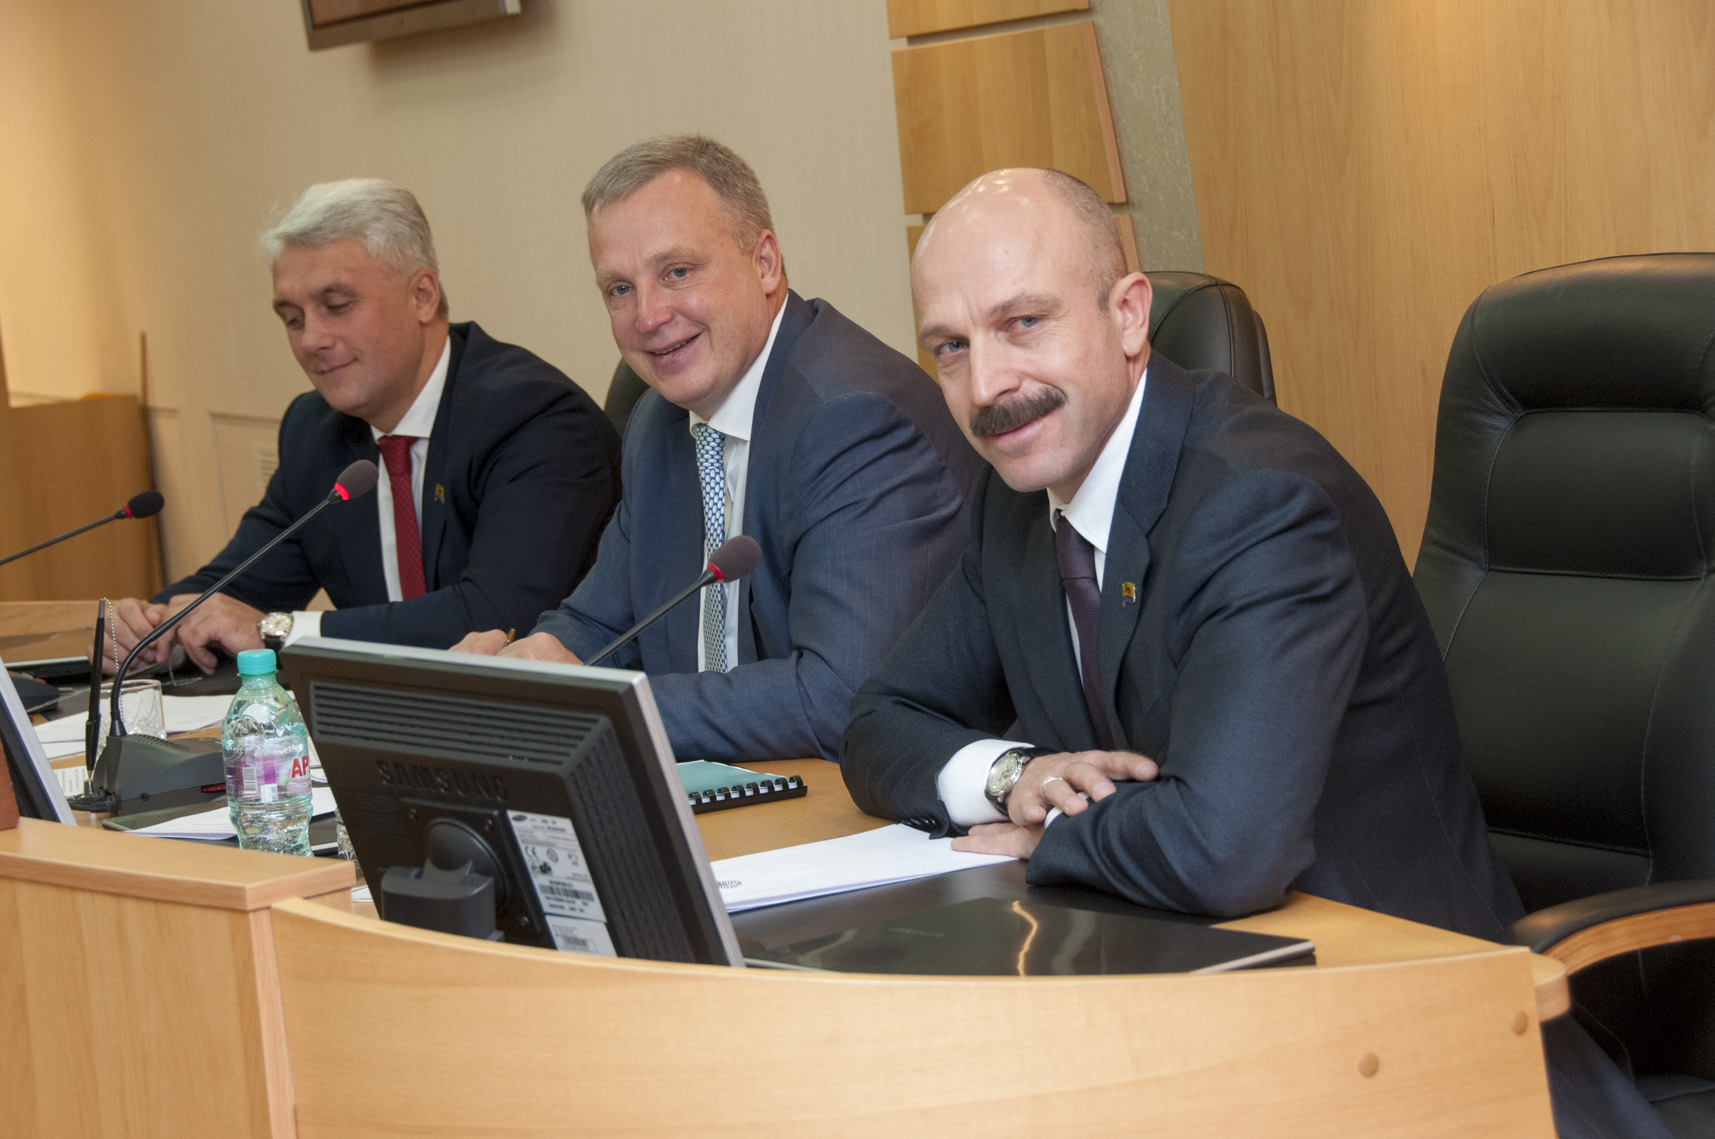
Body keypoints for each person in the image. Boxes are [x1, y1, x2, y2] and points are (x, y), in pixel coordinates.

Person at [841, 167, 1672, 1139]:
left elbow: (1224, 847)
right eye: (949, 346)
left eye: (1022, 323)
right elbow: (879, 722)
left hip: (1409, 1032)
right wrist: (1012, 776)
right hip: (1182, 998)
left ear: (1127, 315)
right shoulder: (1021, 497)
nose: (986, 386)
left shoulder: (1258, 502)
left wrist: (1050, 830)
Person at [454, 136, 981, 763]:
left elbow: (839, 698)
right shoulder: (658, 422)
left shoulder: (852, 418)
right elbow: (599, 625)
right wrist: (522, 671)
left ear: (765, 263)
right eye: (619, 289)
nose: (648, 317)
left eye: (677, 272)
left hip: (863, 798)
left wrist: (600, 707)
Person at [109, 179, 620, 673]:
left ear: (422, 296)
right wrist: (149, 626)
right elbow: (241, 585)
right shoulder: (314, 430)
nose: (311, 339)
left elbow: (495, 617)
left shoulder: (535, 418)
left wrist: (281, 632)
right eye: (293, 318)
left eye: (336, 307)